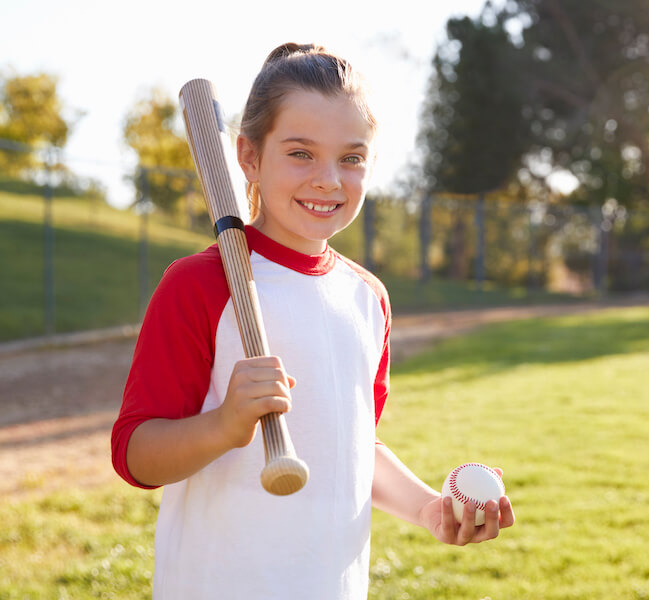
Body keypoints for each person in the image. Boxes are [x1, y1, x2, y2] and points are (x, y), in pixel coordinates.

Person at [111, 43, 515, 599]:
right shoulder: (201, 285)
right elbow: (136, 455)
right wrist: (225, 424)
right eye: (301, 153)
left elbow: (355, 446)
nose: (329, 179)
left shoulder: (367, 298)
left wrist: (427, 508)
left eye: (351, 158)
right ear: (248, 157)